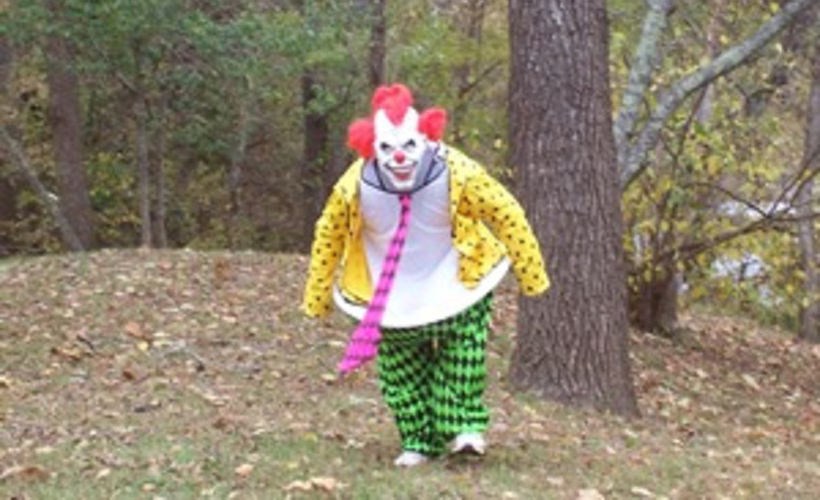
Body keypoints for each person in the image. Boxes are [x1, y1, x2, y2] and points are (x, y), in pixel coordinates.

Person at [302, 83, 549, 467]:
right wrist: (317, 294)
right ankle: (418, 439)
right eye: (388, 149)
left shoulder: (458, 171)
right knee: (400, 372)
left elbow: (505, 210)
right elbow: (328, 235)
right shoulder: (353, 188)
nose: (399, 157)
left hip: (459, 286)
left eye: (409, 146)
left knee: (463, 357)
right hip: (391, 300)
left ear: (426, 140)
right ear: (372, 147)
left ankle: (463, 426)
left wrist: (530, 269)